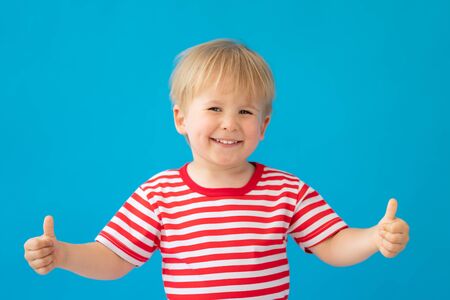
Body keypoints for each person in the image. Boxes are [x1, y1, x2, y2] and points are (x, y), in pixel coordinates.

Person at [24, 39, 410, 299]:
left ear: (264, 125)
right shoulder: (159, 194)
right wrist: (65, 256)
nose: (229, 123)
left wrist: (374, 238)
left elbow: (331, 244)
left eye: (245, 111)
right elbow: (115, 258)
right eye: (214, 109)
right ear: (180, 119)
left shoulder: (286, 191)